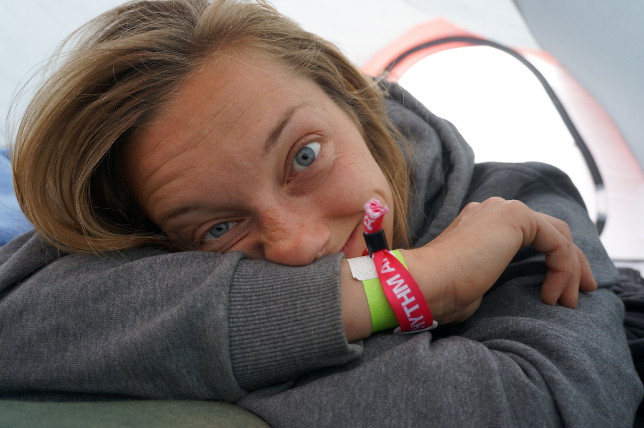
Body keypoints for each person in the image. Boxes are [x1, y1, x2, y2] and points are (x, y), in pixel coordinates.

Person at [0, 0, 641, 426]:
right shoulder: (158, 248)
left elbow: (543, 408)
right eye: (219, 227)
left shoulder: (529, 205)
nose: (298, 244)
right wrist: (411, 285)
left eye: (304, 156)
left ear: (359, 105)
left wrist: (220, 346)